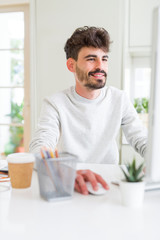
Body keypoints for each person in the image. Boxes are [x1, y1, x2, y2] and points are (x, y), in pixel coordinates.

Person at [29, 26, 147, 195]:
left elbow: (141, 139)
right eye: (91, 59)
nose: (101, 66)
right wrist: (65, 173)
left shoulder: (119, 99)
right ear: (71, 65)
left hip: (108, 186)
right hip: (70, 182)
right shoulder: (55, 103)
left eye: (104, 59)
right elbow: (40, 146)